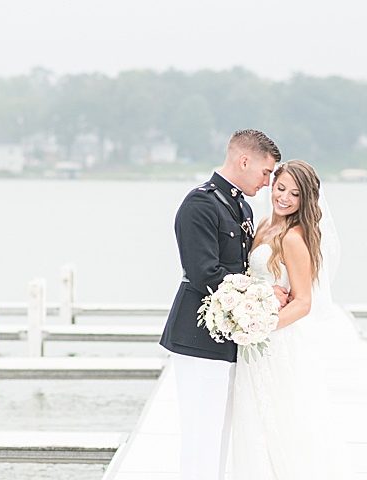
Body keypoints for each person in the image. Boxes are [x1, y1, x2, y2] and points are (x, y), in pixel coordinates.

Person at [159, 129, 283, 480]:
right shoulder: (200, 204)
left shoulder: (242, 206)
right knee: (200, 434)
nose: (267, 182)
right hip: (197, 335)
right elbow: (205, 273)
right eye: (265, 172)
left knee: (220, 434)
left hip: (231, 335)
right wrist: (263, 297)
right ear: (244, 161)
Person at [230, 160, 348, 479]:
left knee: (278, 420)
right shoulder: (265, 224)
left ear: (305, 199)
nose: (284, 198)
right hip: (252, 337)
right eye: (280, 188)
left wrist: (261, 325)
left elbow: (304, 302)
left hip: (274, 339)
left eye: (294, 194)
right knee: (251, 419)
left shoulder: (294, 238)